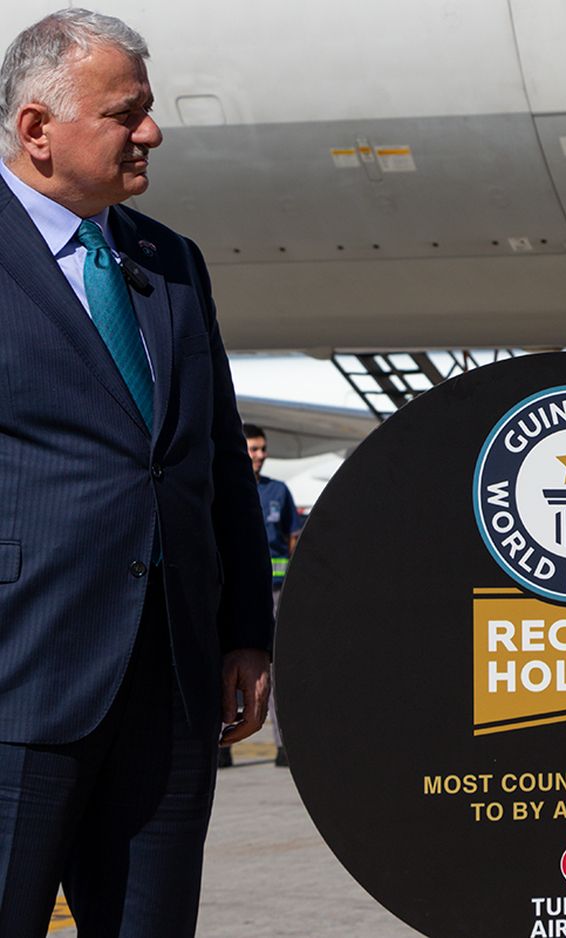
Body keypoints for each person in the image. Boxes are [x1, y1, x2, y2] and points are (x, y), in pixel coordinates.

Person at [0, 10, 273, 936]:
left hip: (170, 692)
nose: (150, 132)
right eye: (127, 113)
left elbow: (212, 461)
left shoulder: (170, 260)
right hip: (18, 684)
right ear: (38, 129)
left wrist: (244, 630)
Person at [243, 423, 303, 768]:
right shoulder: (226, 488)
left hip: (277, 592)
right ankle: (224, 741)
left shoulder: (278, 491)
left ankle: (283, 745)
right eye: (253, 449)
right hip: (241, 592)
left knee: (278, 670)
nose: (261, 456)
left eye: (263, 449)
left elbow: (292, 538)